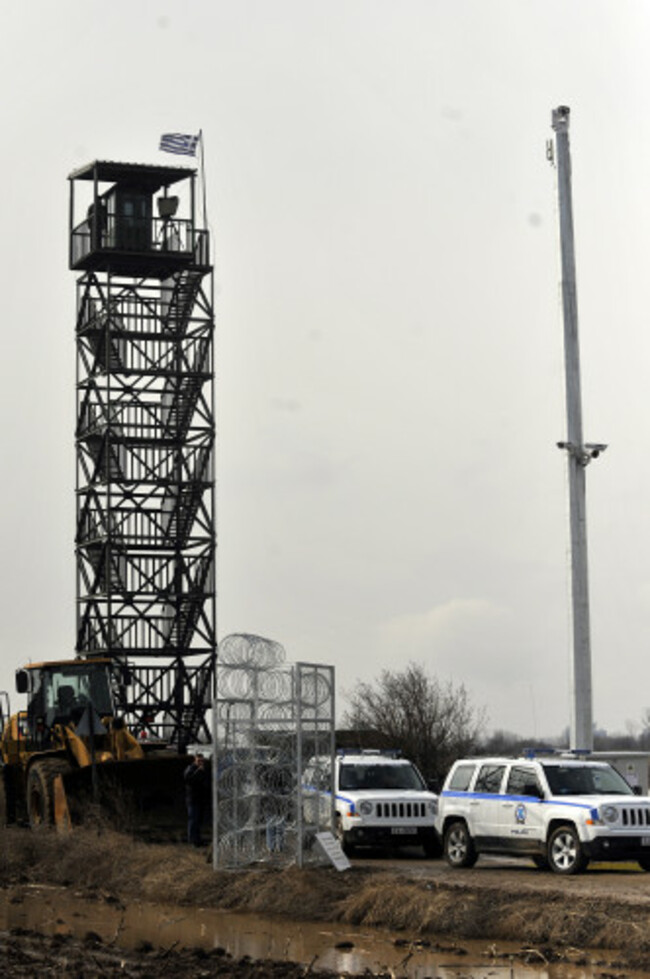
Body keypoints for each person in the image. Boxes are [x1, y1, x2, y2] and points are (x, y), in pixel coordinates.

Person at [184, 753, 209, 846]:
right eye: (199, 760)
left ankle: (198, 839)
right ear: (195, 759)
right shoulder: (191, 769)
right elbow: (189, 780)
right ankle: (192, 840)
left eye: (202, 761)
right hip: (193, 799)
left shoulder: (203, 770)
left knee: (198, 820)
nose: (200, 762)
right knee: (193, 820)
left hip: (200, 799)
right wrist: (198, 771)